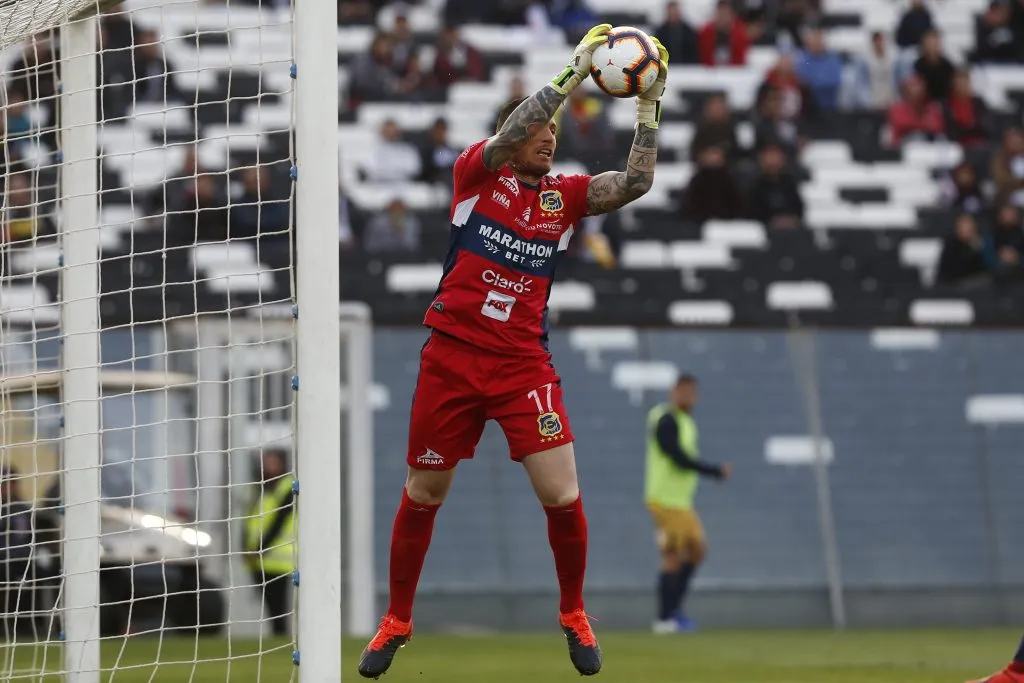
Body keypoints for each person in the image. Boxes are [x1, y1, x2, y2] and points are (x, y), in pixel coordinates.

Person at [357, 24, 669, 679]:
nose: (547, 137)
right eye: (536, 132)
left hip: (522, 364)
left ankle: (573, 611)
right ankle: (398, 618)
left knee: (562, 492)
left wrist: (648, 108)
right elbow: (510, 133)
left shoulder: (561, 199)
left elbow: (635, 183)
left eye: (552, 133)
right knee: (425, 488)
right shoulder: (478, 171)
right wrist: (571, 75)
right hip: (452, 356)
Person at [645, 375, 730, 634]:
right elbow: (676, 455)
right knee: (676, 556)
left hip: (680, 502)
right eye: (682, 392)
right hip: (665, 500)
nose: (687, 397)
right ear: (673, 392)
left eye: (691, 392)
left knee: (694, 551)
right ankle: (666, 617)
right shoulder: (665, 418)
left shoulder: (686, 422)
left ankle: (671, 613)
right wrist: (713, 471)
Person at [243, 448, 295, 637]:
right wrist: (247, 548)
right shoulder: (260, 488)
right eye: (266, 461)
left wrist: (259, 549)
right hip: (258, 559)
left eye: (273, 461)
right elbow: (250, 520)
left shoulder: (288, 487)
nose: (268, 466)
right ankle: (278, 636)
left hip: (279, 557)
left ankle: (281, 637)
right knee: (269, 605)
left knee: (279, 605)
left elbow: (279, 521)